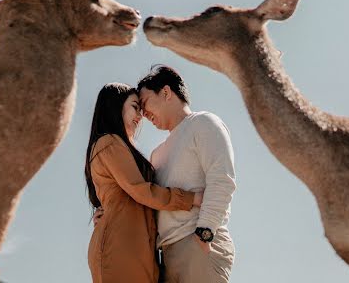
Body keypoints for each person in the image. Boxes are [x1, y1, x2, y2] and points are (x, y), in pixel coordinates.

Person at [86, 83, 204, 283]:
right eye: (134, 107)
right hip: (121, 249)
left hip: (140, 250)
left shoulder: (119, 146)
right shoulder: (109, 142)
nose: (140, 116)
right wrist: (192, 198)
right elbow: (142, 191)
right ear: (115, 106)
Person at [137, 65, 236, 283]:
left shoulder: (203, 122)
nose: (143, 115)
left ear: (165, 92)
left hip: (197, 245)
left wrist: (205, 233)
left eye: (144, 104)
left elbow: (222, 180)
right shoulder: (157, 154)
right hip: (165, 257)